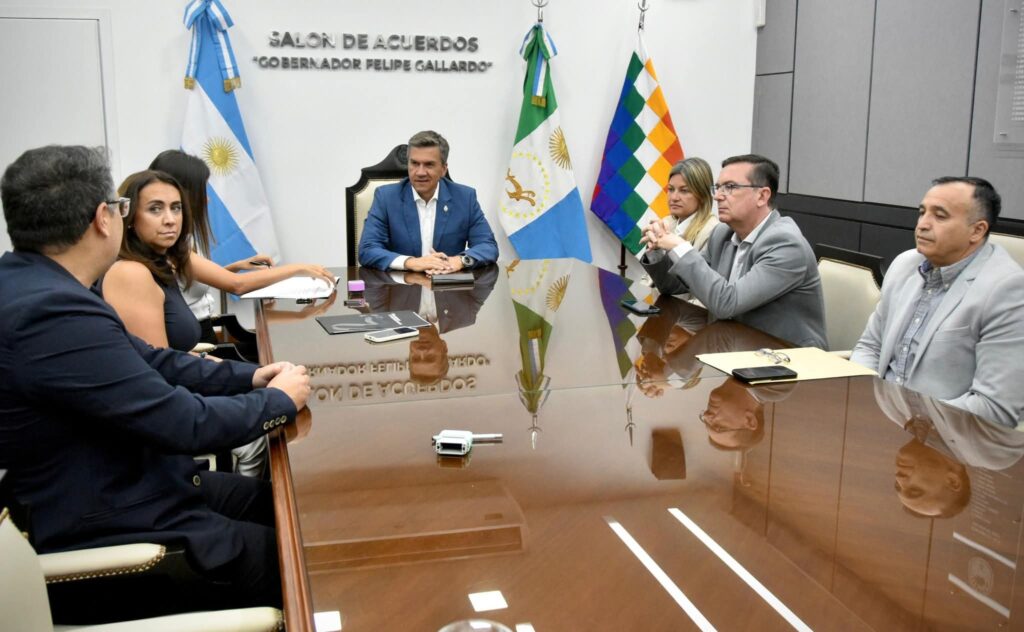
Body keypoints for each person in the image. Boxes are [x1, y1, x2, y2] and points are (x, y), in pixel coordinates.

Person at [0, 145, 310, 610]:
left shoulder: (38, 285)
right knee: (310, 557)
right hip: (114, 528)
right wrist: (279, 403)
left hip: (135, 483)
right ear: (103, 218)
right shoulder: (51, 312)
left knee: (295, 507)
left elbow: (153, 360)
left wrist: (252, 378)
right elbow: (183, 423)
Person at [102, 170, 270, 477]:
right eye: (155, 209)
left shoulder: (160, 261)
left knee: (270, 393)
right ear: (130, 217)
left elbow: (168, 355)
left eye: (176, 208)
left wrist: (238, 372)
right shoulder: (131, 273)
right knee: (261, 431)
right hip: (163, 416)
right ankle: (237, 494)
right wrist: (242, 379)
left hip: (182, 384)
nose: (170, 220)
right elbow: (159, 371)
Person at [850, 177, 1024, 428]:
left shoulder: (1006, 290)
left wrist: (917, 422)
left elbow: (993, 406)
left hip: (948, 438)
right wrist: (861, 400)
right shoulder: (905, 264)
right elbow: (871, 347)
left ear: (977, 230)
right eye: (922, 213)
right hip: (881, 420)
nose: (922, 224)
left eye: (940, 216)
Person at [640, 154, 826, 349]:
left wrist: (680, 247)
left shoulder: (786, 244)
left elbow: (727, 304)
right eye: (718, 187)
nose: (717, 196)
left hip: (785, 356)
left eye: (730, 187)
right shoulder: (723, 234)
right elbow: (674, 286)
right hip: (733, 345)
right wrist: (657, 248)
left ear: (762, 196)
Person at [148, 150, 334, 341]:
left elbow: (193, 278)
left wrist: (237, 266)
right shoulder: (169, 246)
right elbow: (237, 285)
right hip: (195, 342)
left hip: (201, 332)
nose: (207, 199)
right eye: (202, 191)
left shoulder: (183, 238)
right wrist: (298, 268)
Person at [358, 130, 498, 273]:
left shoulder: (465, 198)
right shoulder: (386, 198)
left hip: (448, 283)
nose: (420, 172)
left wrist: (459, 261)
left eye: (429, 164)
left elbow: (487, 246)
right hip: (400, 284)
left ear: (443, 169)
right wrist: (411, 262)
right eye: (414, 163)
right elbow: (367, 250)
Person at [650, 157, 720, 254]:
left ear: (702, 194)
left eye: (684, 190)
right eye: (671, 189)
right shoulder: (666, 223)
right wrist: (654, 249)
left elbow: (697, 264)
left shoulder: (713, 231)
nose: (674, 197)